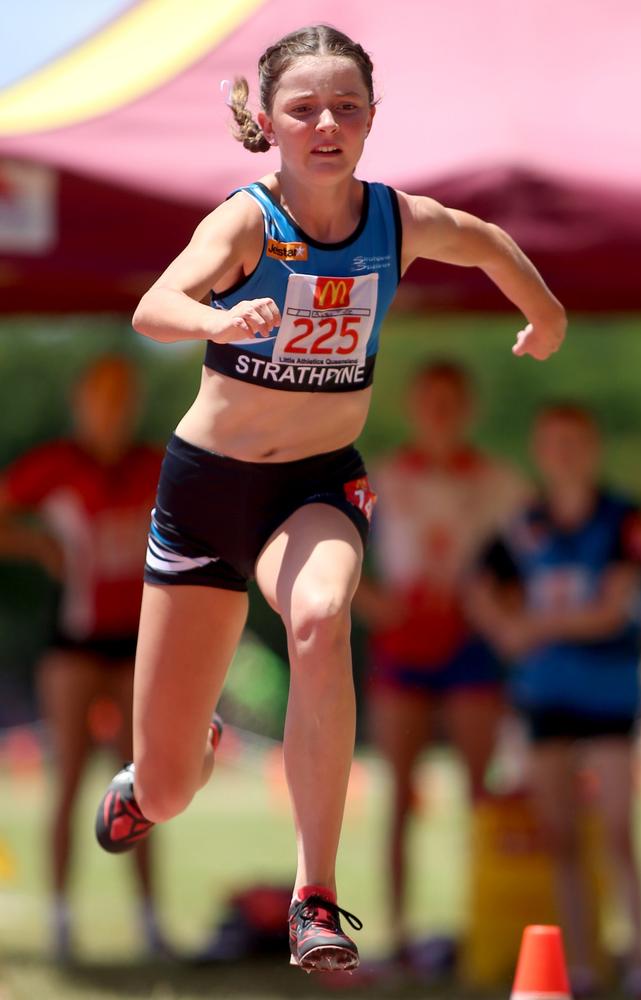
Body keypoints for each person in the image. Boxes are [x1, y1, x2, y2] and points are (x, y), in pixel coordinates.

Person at [93, 24, 566, 973]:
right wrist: (220, 316)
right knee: (177, 786)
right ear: (269, 121)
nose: (325, 124)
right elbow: (156, 306)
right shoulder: (248, 221)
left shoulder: (397, 221)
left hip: (315, 485)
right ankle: (159, 770)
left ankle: (316, 894)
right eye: (304, 108)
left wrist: (545, 313)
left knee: (320, 617)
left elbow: (484, 240)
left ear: (371, 120)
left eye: (346, 107)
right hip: (205, 495)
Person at [471, 403, 641, 999]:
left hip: (609, 697)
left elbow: (613, 609)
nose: (564, 453)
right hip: (545, 699)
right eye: (552, 442)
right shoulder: (524, 525)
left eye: (575, 440)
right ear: (539, 452)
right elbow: (479, 588)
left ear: (592, 445)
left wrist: (536, 629)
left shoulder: (625, 520)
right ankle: (581, 966)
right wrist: (504, 628)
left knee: (620, 833)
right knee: (561, 837)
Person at [353, 359, 530, 956]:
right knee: (400, 794)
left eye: (451, 399)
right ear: (411, 407)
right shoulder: (378, 476)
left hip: (470, 645)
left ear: (469, 408)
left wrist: (496, 605)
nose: (440, 411)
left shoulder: (503, 482)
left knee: (479, 794)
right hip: (403, 647)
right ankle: (398, 933)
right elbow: (332, 551)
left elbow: (534, 561)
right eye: (429, 399)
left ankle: (480, 925)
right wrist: (377, 605)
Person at [0, 355, 167, 960]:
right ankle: (61, 921)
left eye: (123, 396)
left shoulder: (155, 463)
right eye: (101, 397)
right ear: (80, 402)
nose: (112, 409)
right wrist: (37, 544)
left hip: (137, 643)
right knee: (69, 777)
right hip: (72, 640)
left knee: (143, 784)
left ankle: (150, 923)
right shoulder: (57, 465)